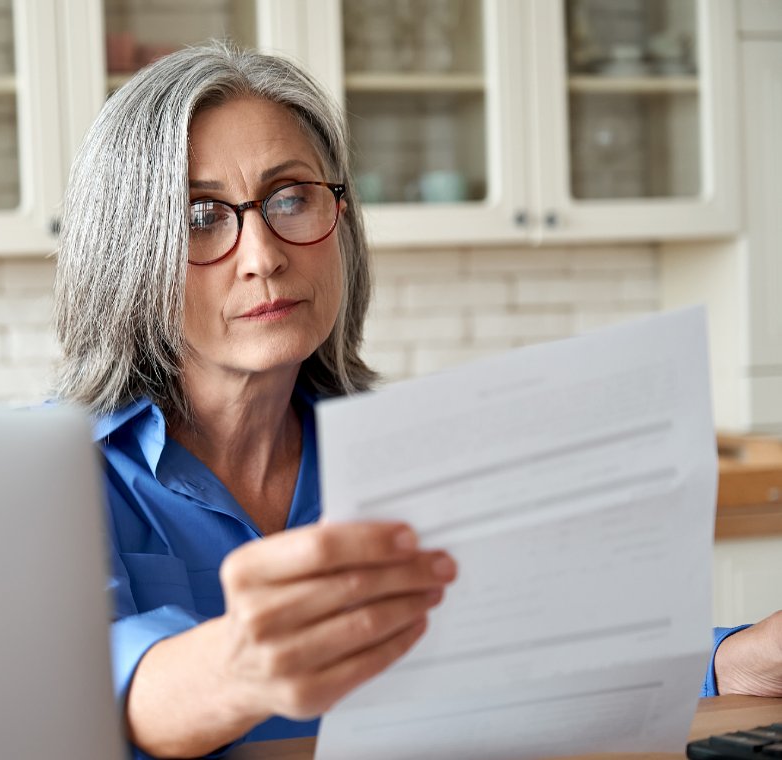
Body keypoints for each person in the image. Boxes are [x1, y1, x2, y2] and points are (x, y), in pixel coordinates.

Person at [52, 42, 782, 759]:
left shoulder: (412, 456)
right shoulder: (53, 476)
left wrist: (730, 661)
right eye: (200, 216)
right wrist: (245, 664)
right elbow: (73, 697)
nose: (264, 255)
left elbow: (535, 663)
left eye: (290, 198)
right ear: (127, 252)